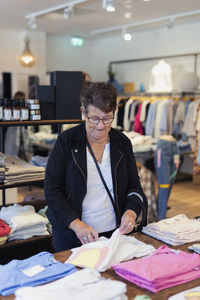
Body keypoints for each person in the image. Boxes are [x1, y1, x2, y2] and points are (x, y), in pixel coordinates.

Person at [45, 82, 148, 252]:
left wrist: (131, 212)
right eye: (94, 118)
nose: (101, 126)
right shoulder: (67, 142)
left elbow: (134, 186)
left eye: (107, 118)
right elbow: (52, 190)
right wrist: (76, 224)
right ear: (83, 112)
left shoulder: (122, 143)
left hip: (114, 234)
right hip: (73, 236)